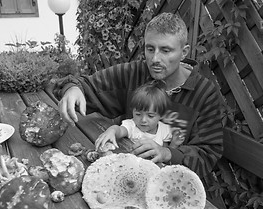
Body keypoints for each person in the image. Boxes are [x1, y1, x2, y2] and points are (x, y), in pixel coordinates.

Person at [53, 12, 224, 182]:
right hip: (127, 173)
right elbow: (85, 85)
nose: (155, 59)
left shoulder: (203, 92)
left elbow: (208, 152)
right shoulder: (134, 74)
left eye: (166, 50)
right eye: (150, 49)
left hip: (171, 184)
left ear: (184, 52)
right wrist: (73, 88)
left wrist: (168, 153)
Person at [94, 81, 183, 151]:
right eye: (138, 114)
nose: (143, 120)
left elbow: (166, 153)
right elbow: (120, 130)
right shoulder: (132, 126)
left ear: (161, 115)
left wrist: (174, 144)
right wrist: (112, 130)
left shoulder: (165, 130)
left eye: (150, 116)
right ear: (132, 111)